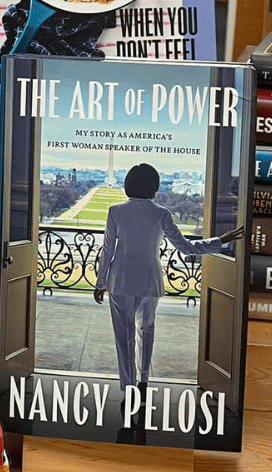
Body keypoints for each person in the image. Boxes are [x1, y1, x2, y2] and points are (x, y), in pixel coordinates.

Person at [93, 163, 244, 398]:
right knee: (147, 331)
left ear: (128, 185)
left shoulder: (115, 211)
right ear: (154, 186)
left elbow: (107, 250)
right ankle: (143, 380)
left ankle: (129, 387)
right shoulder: (161, 213)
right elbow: (186, 248)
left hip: (120, 280)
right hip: (150, 280)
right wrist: (220, 240)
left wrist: (100, 283)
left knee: (124, 338)